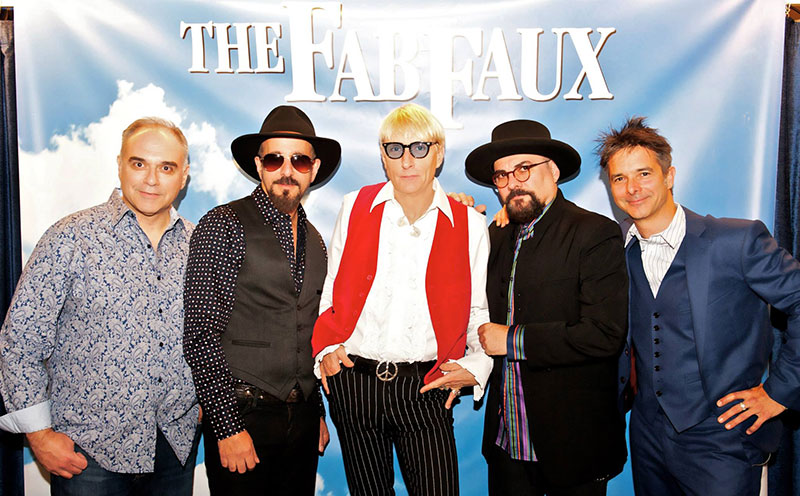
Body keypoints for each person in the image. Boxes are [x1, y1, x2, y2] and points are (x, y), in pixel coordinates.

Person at [596, 116, 800, 495]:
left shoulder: (735, 241)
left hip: (722, 437)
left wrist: (779, 392)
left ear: (669, 176)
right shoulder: (615, 247)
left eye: (644, 174)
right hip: (646, 435)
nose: (632, 188)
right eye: (619, 178)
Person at [0, 118, 200, 495]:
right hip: (88, 454)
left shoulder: (199, 245)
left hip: (174, 449)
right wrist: (39, 435)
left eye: (166, 167)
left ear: (184, 175)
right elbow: (21, 340)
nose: (151, 179)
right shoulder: (70, 237)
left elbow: (214, 335)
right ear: (120, 164)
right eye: (139, 164)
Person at [311, 103, 493, 496]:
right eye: (395, 149)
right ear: (383, 156)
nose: (407, 161)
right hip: (355, 385)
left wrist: (477, 365)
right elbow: (332, 289)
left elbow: (477, 310)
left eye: (419, 148)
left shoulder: (470, 224)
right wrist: (326, 348)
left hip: (426, 388)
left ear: (438, 154)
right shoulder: (354, 206)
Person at [464, 119, 628, 495]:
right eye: (502, 175)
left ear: (552, 170)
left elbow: (604, 334)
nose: (513, 182)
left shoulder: (594, 233)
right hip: (507, 444)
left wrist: (512, 340)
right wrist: (459, 216)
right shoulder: (494, 236)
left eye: (524, 168)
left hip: (573, 448)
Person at [183, 105, 338, 495]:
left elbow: (309, 331)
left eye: (299, 160)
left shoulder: (317, 240)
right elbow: (200, 335)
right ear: (258, 165)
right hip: (243, 416)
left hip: (302, 421)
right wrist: (227, 427)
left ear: (314, 169)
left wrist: (315, 410)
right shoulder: (223, 224)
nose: (286, 170)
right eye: (274, 159)